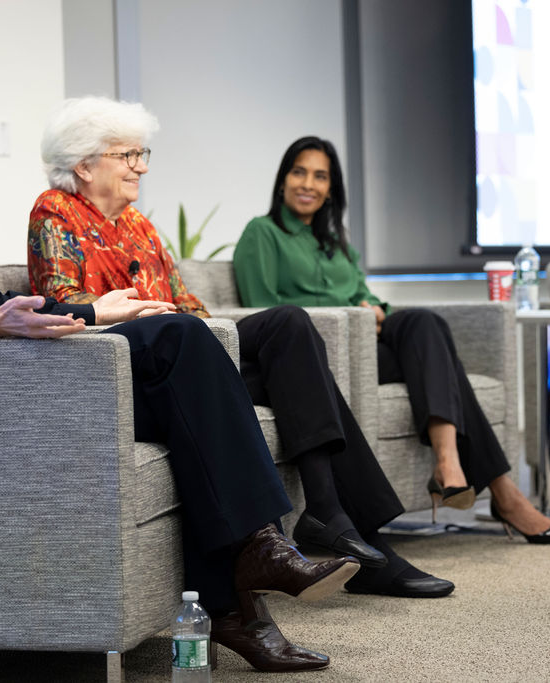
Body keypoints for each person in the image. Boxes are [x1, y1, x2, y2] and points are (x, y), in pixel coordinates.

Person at [0, 39, 361, 674]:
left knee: (182, 356)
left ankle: (244, 592)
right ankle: (256, 558)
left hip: (5, 372)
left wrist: (92, 312)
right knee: (181, 342)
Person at [27, 97, 454, 598]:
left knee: (289, 330)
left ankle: (333, 518)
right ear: (83, 164)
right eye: (128, 156)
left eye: (142, 154)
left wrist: (202, 330)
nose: (141, 166)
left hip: (190, 354)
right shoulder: (55, 211)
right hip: (132, 369)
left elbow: (187, 301)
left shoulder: (139, 226)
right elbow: (63, 301)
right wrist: (140, 311)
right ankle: (351, 531)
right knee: (292, 359)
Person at [233, 136, 550, 543]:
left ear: (331, 190)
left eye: (320, 176)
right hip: (325, 355)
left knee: (424, 324)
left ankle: (449, 463)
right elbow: (264, 316)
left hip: (367, 344)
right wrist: (355, 316)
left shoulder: (335, 240)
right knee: (442, 363)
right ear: (282, 180)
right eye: (299, 172)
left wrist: (372, 307)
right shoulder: (262, 233)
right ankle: (504, 493)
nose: (308, 183)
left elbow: (367, 293)